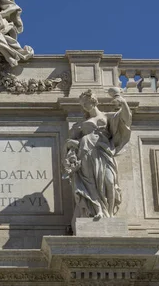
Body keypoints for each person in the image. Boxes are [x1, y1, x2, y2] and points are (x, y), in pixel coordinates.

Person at [64, 88, 132, 220]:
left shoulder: (107, 117)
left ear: (93, 100)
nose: (84, 105)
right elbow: (71, 141)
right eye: (82, 103)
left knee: (109, 182)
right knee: (90, 184)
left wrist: (122, 101)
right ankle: (98, 210)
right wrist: (70, 145)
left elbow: (125, 120)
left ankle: (110, 214)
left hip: (104, 153)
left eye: (86, 102)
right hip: (86, 154)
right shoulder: (80, 124)